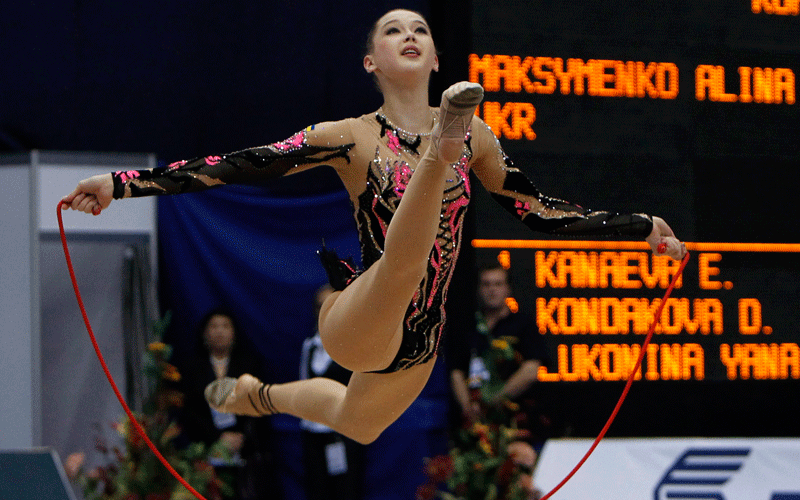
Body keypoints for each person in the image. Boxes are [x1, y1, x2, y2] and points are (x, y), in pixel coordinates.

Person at [61, 9, 686, 446]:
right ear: (370, 60)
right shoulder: (351, 136)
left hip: (420, 341)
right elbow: (240, 165)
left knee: (358, 422)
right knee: (402, 262)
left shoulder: (483, 138)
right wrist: (121, 185)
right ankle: (435, 156)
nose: (408, 35)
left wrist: (640, 226)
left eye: (420, 29)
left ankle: (258, 394)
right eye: (393, 30)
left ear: (437, 56)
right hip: (362, 319)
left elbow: (541, 211)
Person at [178, 308, 279, 500]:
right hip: (206, 451)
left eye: (225, 326)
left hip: (244, 453)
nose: (219, 331)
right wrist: (217, 437)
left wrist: (241, 438)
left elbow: (261, 406)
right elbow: (189, 411)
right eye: (214, 326)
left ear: (234, 333)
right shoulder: (192, 368)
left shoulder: (249, 365)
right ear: (205, 334)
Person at [449, 265, 551, 439]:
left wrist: (493, 400)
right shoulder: (467, 327)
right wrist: (469, 407)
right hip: (473, 425)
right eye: (486, 284)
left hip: (516, 423)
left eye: (497, 284)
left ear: (507, 289)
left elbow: (531, 370)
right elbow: (455, 370)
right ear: (479, 289)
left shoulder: (523, 325)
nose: (492, 290)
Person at [299, 285, 365, 500]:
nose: (324, 311)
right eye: (319, 306)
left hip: (343, 434)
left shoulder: (353, 346)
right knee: (317, 492)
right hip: (314, 435)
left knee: (346, 491)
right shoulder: (309, 346)